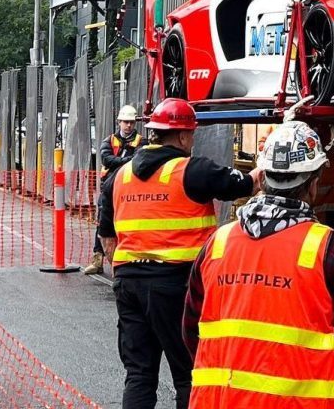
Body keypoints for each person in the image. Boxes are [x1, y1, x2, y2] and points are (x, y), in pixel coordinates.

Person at [183, 121, 334, 408]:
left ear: (262, 177)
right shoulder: (333, 252)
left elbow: (193, 330)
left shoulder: (218, 243)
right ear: (313, 184)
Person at [98, 98, 262, 409]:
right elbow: (246, 185)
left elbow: (107, 240)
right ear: (184, 136)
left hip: (128, 283)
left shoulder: (120, 177)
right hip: (175, 287)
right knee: (188, 375)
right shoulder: (192, 170)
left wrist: (129, 269)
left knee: (139, 375)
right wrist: (269, 160)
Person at [84, 104, 143, 275]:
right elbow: (107, 159)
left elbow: (140, 159)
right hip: (109, 189)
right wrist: (129, 160)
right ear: (119, 122)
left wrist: (122, 160)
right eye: (125, 122)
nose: (129, 125)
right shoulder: (108, 141)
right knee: (102, 222)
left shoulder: (142, 141)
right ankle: (97, 260)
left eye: (131, 122)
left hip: (130, 190)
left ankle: (131, 261)